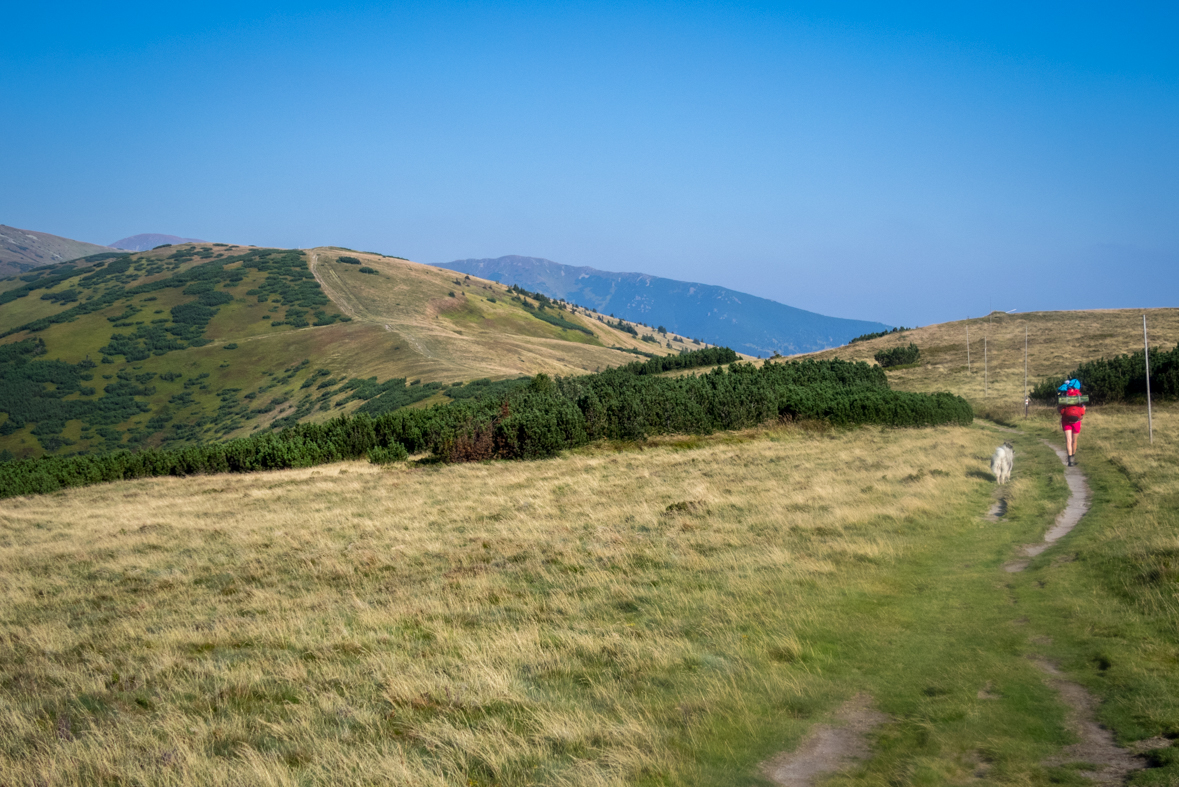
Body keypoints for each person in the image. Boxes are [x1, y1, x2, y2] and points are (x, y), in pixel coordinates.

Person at [1057, 378, 1085, 466]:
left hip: (1066, 421)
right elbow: (1083, 410)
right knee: (1074, 440)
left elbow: (1059, 410)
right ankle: (1073, 457)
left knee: (1068, 440)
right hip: (1077, 421)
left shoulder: (1065, 396)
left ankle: (1070, 461)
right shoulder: (1079, 396)